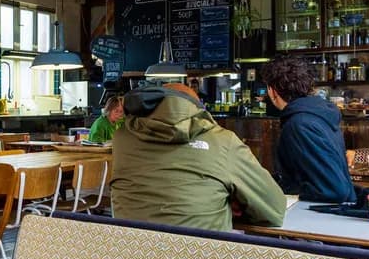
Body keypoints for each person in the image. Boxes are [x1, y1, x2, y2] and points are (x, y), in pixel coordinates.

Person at [111, 83, 286, 231]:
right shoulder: (223, 141)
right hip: (201, 258)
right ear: (196, 108)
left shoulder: (121, 139)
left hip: (129, 256)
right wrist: (226, 200)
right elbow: (275, 211)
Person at [261, 56, 356, 203]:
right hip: (335, 209)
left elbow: (335, 190)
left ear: (272, 91)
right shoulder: (317, 114)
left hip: (318, 213)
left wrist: (288, 193)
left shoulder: (299, 124)